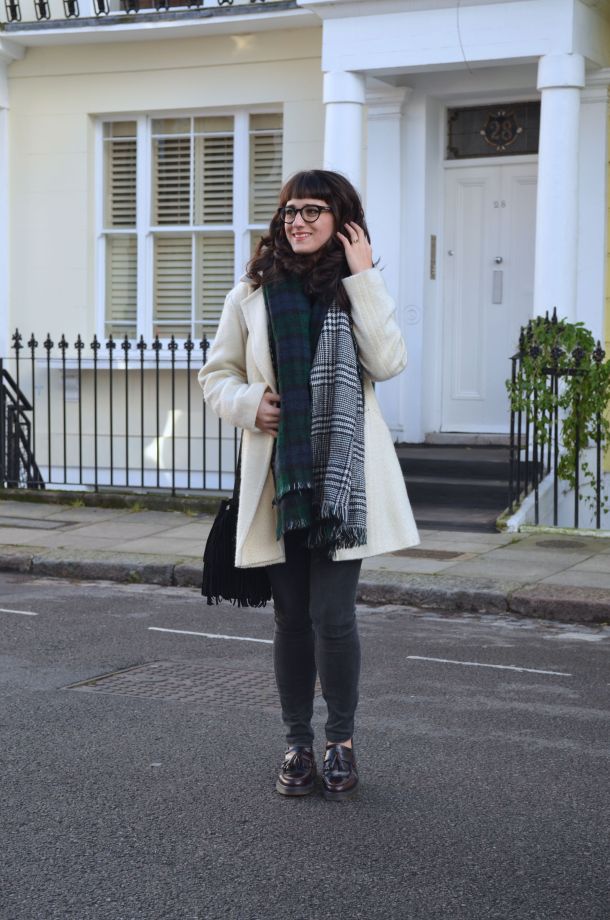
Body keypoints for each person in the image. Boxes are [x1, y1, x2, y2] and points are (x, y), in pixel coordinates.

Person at [199, 169, 419, 801]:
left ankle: (340, 741)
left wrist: (364, 273)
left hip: (342, 482)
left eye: (313, 211)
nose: (297, 221)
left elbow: (389, 363)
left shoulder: (356, 290)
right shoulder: (252, 290)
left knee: (333, 616)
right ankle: (297, 743)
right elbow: (216, 374)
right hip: (280, 477)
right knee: (292, 618)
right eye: (291, 210)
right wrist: (248, 403)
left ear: (341, 222)